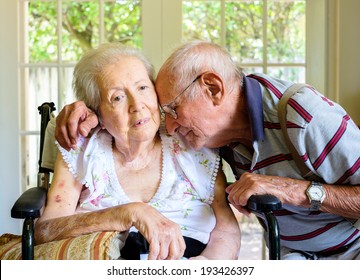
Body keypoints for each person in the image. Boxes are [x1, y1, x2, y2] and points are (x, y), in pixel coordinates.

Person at [55, 41, 360, 260]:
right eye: (118, 98)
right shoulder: (215, 133)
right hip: (295, 256)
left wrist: (290, 190)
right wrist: (86, 110)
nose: (169, 127)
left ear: (214, 89)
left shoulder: (304, 118)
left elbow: (225, 232)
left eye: (172, 109)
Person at [34, 42, 241, 260]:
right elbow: (45, 230)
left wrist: (204, 266)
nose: (137, 105)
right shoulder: (83, 149)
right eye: (117, 97)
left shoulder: (189, 141)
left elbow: (226, 230)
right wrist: (128, 213)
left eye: (142, 88)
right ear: (98, 115)